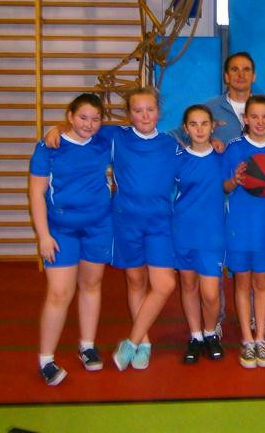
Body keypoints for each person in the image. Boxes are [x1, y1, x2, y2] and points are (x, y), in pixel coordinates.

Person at [44, 86, 178, 371]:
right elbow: (81, 128)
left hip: (159, 224)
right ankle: (144, 342)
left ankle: (130, 340)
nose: (145, 115)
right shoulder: (116, 136)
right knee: (135, 281)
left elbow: (199, 147)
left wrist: (216, 142)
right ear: (128, 114)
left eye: (150, 110)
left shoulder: (171, 143)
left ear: (159, 112)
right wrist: (57, 128)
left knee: (164, 284)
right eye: (138, 110)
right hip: (126, 221)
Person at [171, 51, 265, 338]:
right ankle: (214, 319)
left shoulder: (263, 106)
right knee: (213, 264)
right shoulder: (210, 108)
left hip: (249, 201)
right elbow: (177, 135)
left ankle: (254, 316)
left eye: (246, 69)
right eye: (234, 69)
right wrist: (208, 142)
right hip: (216, 199)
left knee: (249, 263)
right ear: (226, 76)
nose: (240, 74)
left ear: (254, 75)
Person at [29, 93, 112, 386]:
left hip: (98, 226)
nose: (89, 124)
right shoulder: (49, 147)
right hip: (61, 230)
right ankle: (46, 359)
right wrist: (43, 235)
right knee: (59, 293)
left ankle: (87, 346)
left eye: (96, 119)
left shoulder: (105, 140)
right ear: (70, 116)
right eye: (82, 117)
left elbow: (142, 129)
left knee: (91, 285)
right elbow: (36, 193)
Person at [223, 94, 265, 368]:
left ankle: (261, 337)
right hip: (239, 227)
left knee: (262, 283)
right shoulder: (234, 148)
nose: (260, 121)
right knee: (242, 283)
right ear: (245, 119)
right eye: (254, 116)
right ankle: (246, 339)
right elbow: (224, 187)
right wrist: (235, 180)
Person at [173, 104, 226, 364]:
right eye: (193, 124)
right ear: (186, 128)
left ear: (213, 126)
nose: (199, 129)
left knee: (211, 293)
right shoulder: (178, 159)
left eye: (204, 123)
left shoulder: (222, 156)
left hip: (212, 235)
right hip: (183, 231)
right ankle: (196, 336)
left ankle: (210, 332)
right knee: (188, 285)